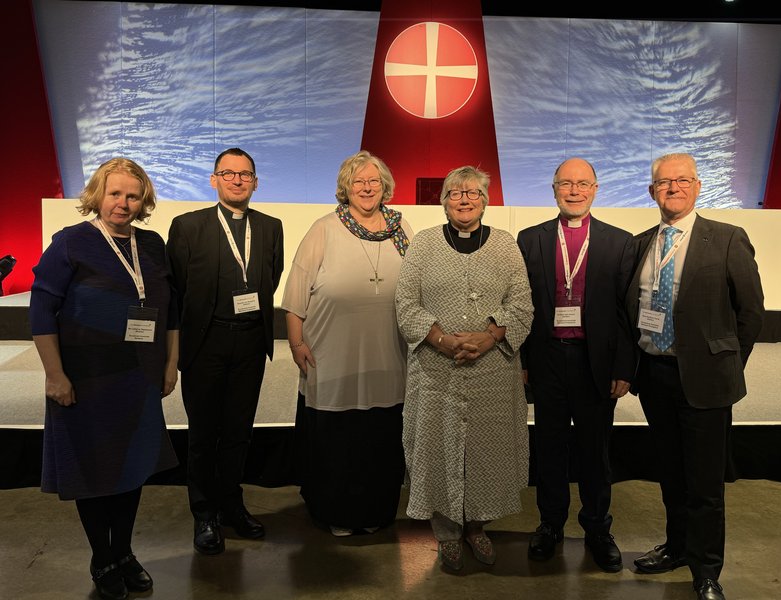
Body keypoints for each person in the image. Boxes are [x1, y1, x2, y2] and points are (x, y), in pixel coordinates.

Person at [30, 158, 179, 600]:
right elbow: (41, 312)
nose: (123, 203)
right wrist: (54, 375)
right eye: (115, 193)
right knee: (93, 471)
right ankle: (102, 558)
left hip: (138, 377)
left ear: (143, 200)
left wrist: (171, 364)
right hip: (84, 379)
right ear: (98, 195)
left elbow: (171, 311)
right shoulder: (72, 243)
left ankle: (125, 552)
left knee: (131, 469)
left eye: (133, 196)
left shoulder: (152, 245)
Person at [625, 153, 765, 600]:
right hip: (656, 376)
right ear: (652, 192)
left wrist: (725, 364)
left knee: (705, 483)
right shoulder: (640, 243)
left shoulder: (726, 239)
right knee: (671, 473)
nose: (673, 188)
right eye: (664, 182)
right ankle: (678, 547)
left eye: (683, 180)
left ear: (698, 186)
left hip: (706, 381)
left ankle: (706, 571)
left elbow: (750, 313)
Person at [395, 165, 533, 571]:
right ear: (444, 201)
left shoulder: (506, 245)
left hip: (493, 372)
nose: (465, 199)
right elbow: (406, 302)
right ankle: (447, 534)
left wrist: (488, 338)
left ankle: (477, 526)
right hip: (436, 371)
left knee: (487, 453)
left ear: (486, 200)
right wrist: (443, 339)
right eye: (455, 192)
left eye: (473, 192)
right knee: (438, 449)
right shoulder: (423, 244)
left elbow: (522, 303)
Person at [282, 150, 413, 536]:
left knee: (381, 438)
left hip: (388, 354)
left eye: (373, 181)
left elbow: (420, 282)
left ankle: (376, 512)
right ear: (345, 188)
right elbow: (295, 293)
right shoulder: (324, 228)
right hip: (330, 356)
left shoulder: (401, 227)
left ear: (385, 186)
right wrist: (295, 343)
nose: (367, 188)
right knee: (337, 441)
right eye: (358, 181)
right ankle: (335, 513)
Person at [515, 157, 636, 573]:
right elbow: (523, 306)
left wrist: (623, 366)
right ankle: (549, 525)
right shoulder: (529, 240)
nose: (574, 190)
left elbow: (626, 312)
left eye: (582, 183)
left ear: (595, 189)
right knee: (548, 448)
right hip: (547, 361)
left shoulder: (621, 242)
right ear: (553, 189)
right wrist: (524, 361)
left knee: (594, 451)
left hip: (595, 364)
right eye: (566, 183)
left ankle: (598, 529)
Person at [166, 147, 284, 555]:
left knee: (238, 431)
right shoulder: (187, 226)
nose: (237, 180)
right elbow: (177, 288)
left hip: (250, 340)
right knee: (203, 434)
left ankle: (232, 504)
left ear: (255, 182)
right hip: (206, 343)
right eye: (228, 173)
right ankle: (204, 513)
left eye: (245, 174)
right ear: (214, 180)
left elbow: (273, 274)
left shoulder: (271, 227)